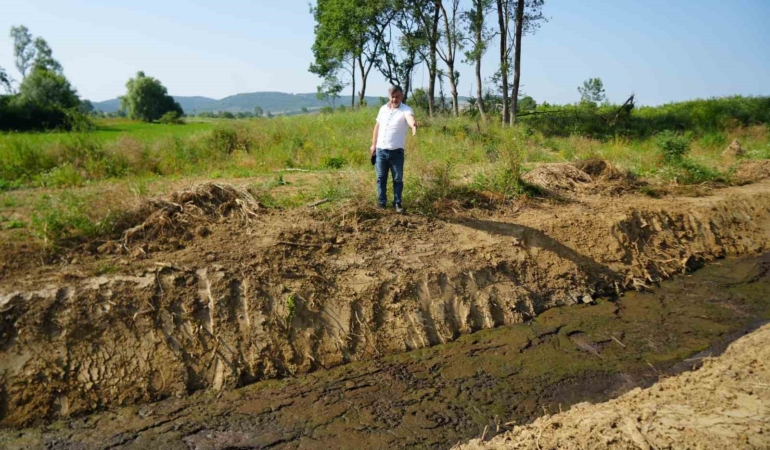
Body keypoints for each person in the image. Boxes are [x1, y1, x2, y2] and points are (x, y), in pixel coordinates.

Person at [370, 85, 417, 213]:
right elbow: (377, 127)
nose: (394, 99)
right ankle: (382, 203)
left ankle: (397, 203)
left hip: (396, 152)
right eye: (392, 97)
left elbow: (410, 118)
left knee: (397, 178)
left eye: (397, 97)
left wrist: (413, 125)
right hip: (381, 150)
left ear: (401, 96)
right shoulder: (382, 109)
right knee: (381, 178)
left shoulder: (406, 110)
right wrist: (373, 145)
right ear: (389, 96)